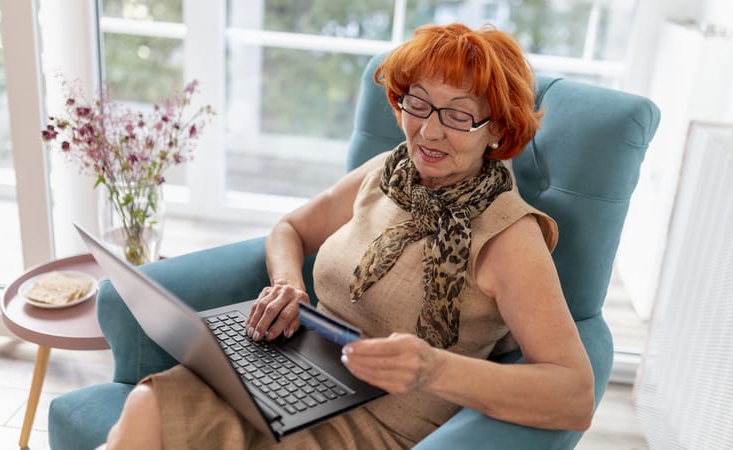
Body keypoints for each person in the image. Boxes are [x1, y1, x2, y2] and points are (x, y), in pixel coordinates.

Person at [101, 22, 594, 449]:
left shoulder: (509, 238)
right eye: (418, 103)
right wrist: (289, 283)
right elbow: (290, 228)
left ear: (497, 130)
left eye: (459, 115)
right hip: (296, 376)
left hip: (374, 430)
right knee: (147, 403)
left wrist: (434, 368)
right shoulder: (387, 172)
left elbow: (573, 394)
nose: (428, 131)